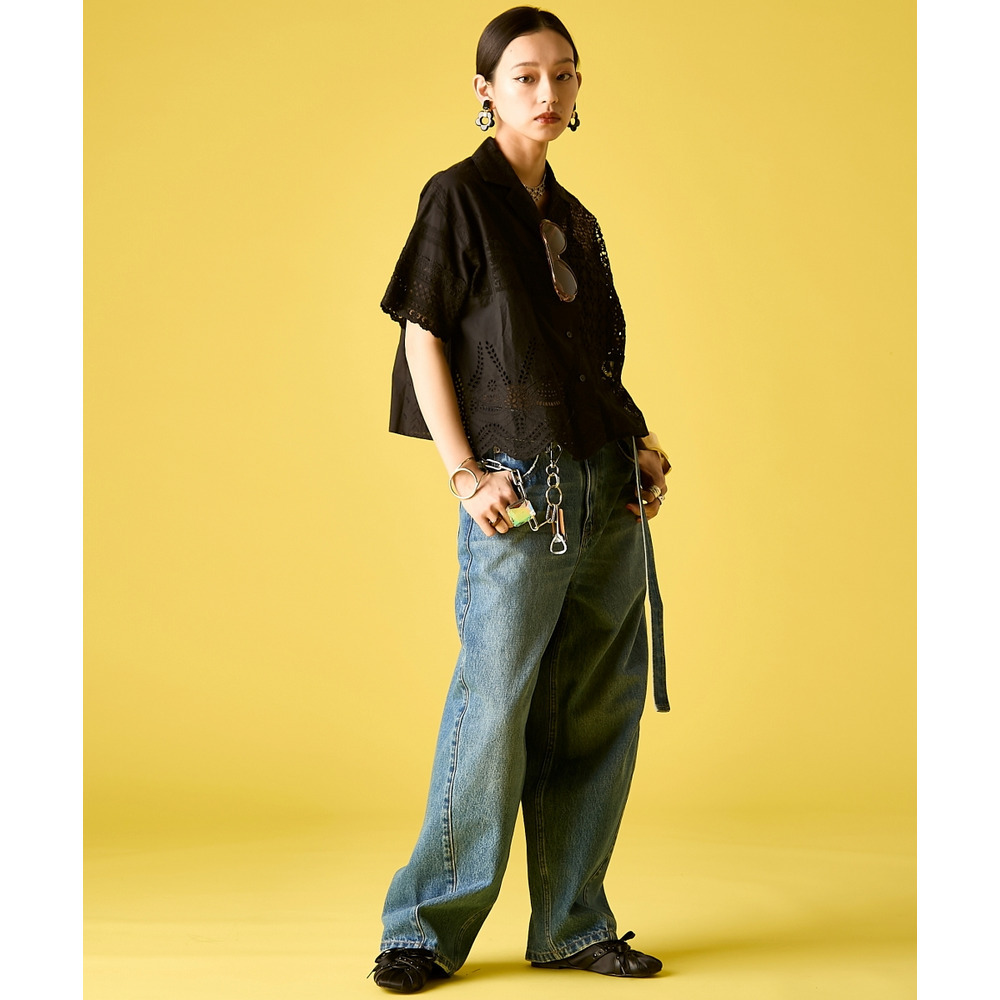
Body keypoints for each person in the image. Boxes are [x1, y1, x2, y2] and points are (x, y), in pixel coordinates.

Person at [370, 7, 673, 993]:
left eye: (565, 74)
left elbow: (588, 357)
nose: (549, 92)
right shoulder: (457, 198)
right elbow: (423, 331)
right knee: (494, 705)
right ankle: (423, 927)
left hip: (603, 484)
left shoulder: (575, 219)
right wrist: (463, 471)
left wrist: (637, 442)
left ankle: (574, 921)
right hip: (522, 487)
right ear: (486, 91)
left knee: (596, 708)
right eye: (527, 76)